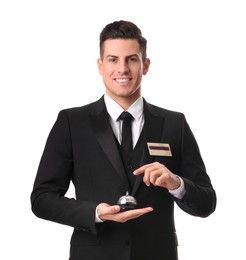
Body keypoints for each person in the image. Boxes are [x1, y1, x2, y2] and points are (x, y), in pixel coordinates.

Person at [31, 20, 216, 260]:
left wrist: (176, 184)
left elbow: (206, 202)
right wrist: (96, 212)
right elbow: (42, 199)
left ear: (145, 65)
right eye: (113, 59)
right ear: (100, 65)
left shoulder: (174, 123)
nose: (122, 69)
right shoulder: (71, 122)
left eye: (131, 59)